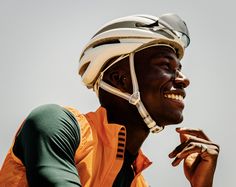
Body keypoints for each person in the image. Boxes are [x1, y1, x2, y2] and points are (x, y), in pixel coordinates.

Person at [0, 13, 219, 187]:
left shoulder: (138, 182)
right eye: (165, 66)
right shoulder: (56, 124)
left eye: (179, 69)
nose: (184, 79)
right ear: (121, 79)